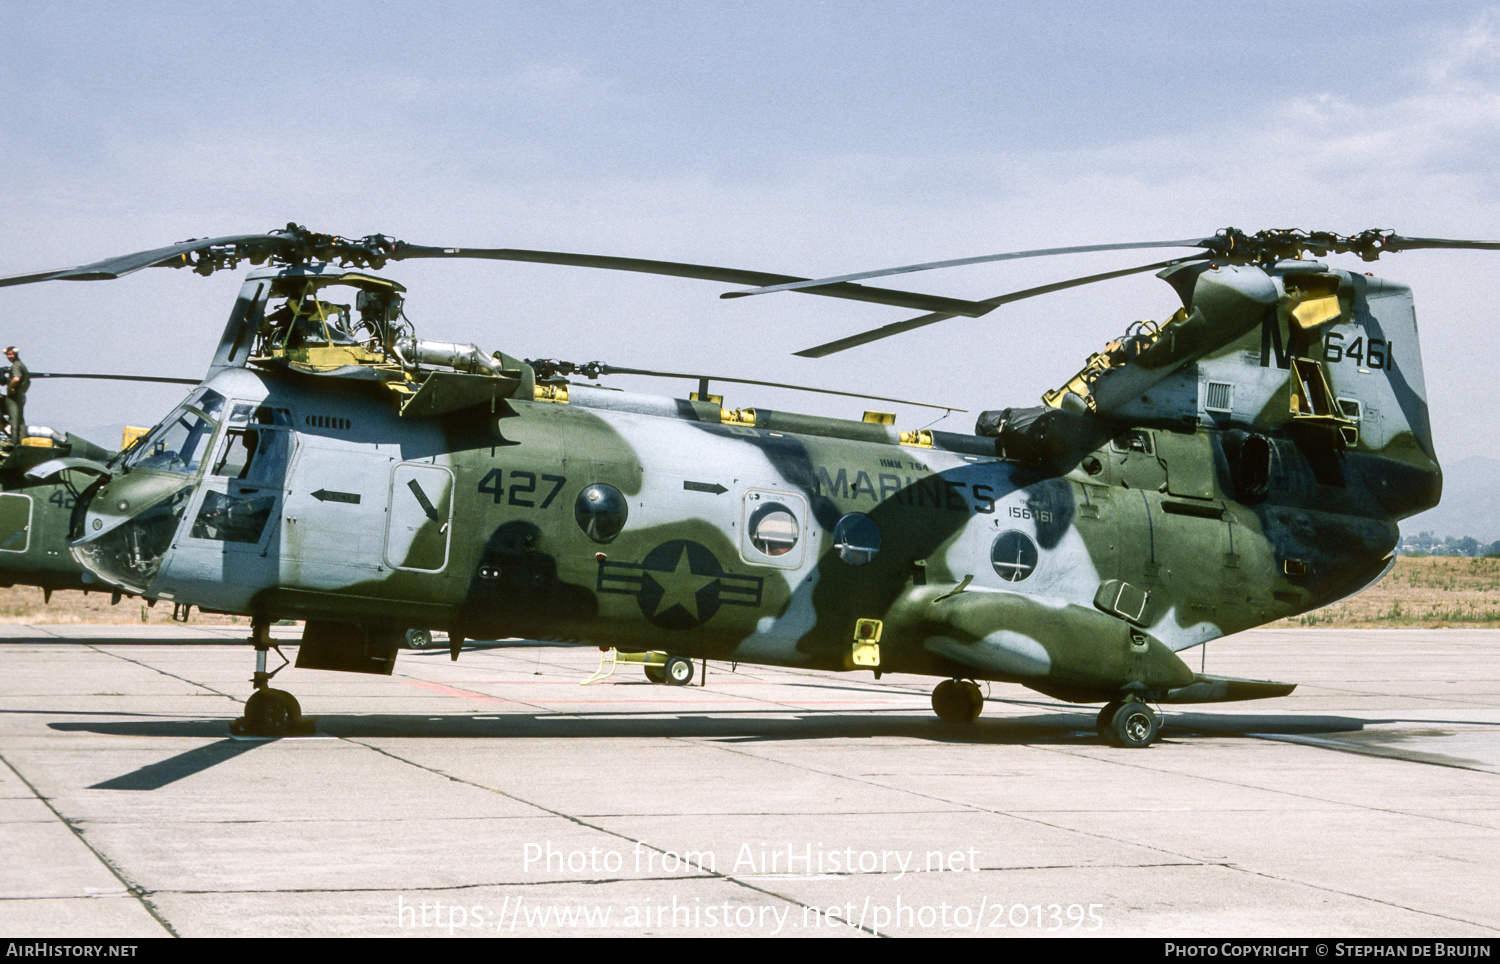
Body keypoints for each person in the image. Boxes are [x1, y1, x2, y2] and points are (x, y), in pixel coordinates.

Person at [4, 347, 28, 446]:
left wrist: (10, 389)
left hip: (14, 396)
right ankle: (22, 442)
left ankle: (14, 443)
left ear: (15, 354)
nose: (9, 356)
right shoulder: (21, 365)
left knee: (13, 419)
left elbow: (16, 379)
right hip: (21, 395)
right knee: (20, 420)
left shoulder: (16, 366)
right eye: (8, 355)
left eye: (11, 354)